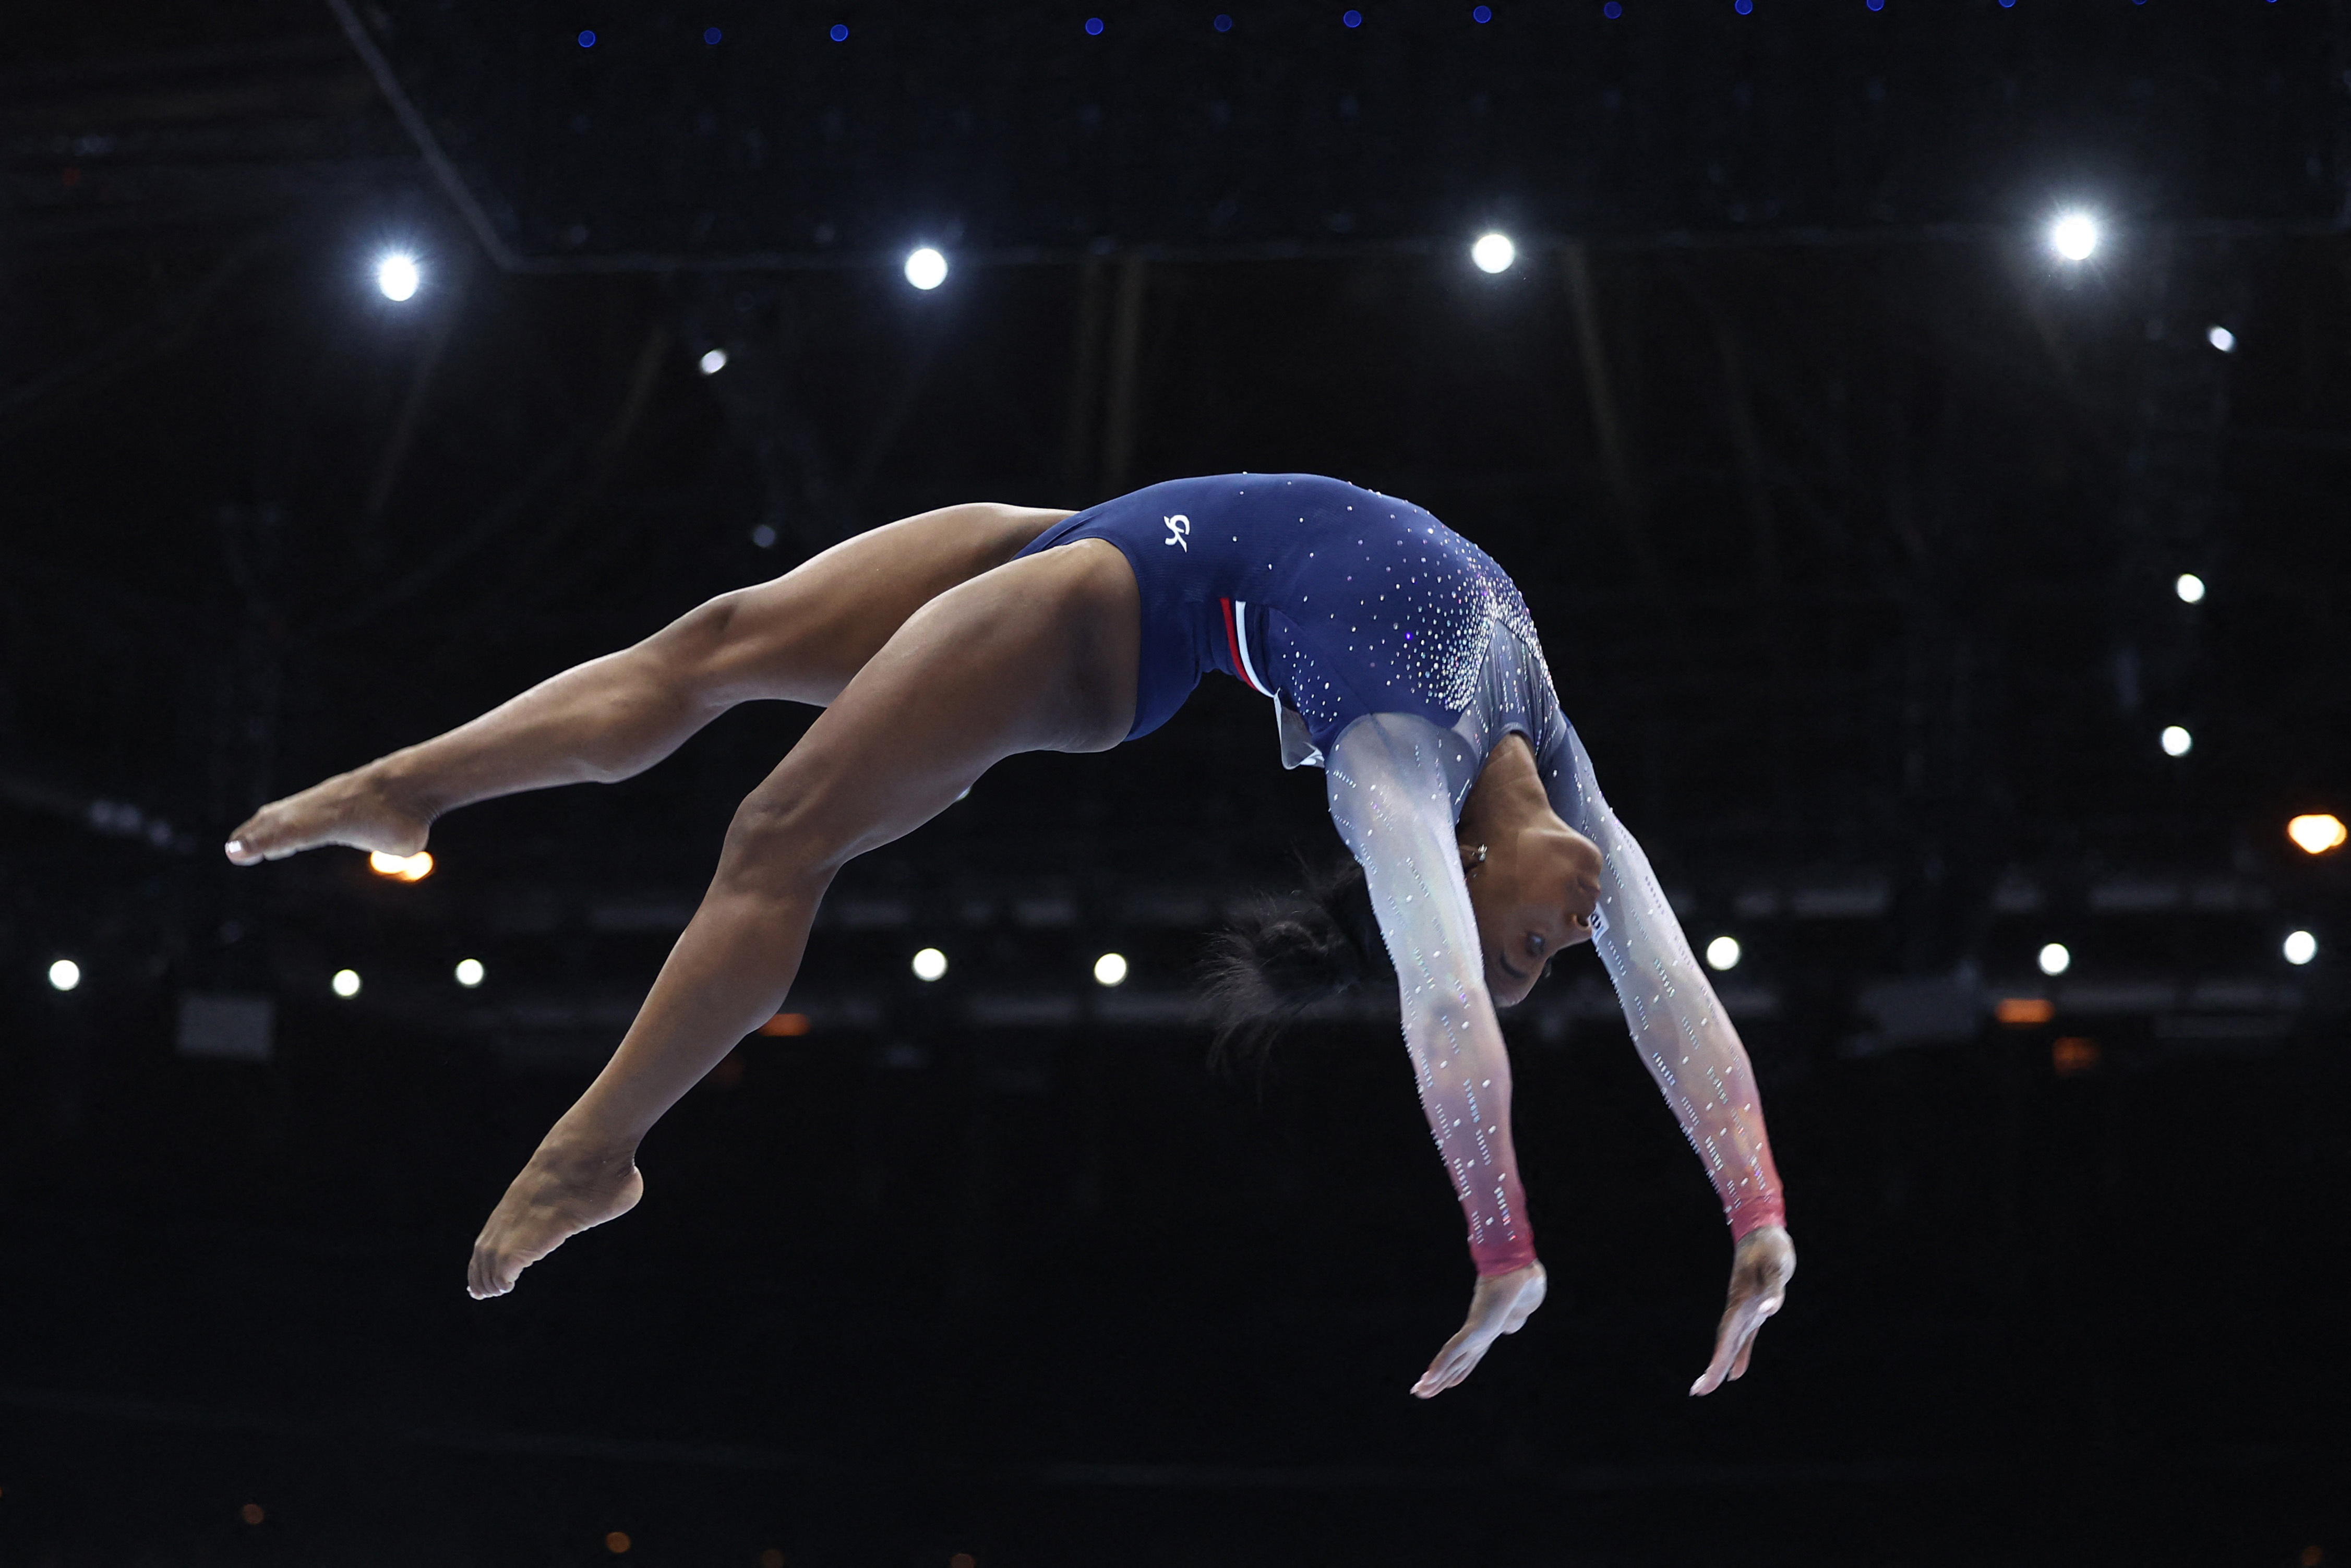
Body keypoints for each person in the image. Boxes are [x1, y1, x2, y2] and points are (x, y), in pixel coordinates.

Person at [226, 474, 1793, 1399]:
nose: (1560, 952)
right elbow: (1660, 1000)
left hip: (1108, 620)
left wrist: (1501, 1250)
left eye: (1536, 959)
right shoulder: (1557, 762)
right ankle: (402, 793)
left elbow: (1445, 1001)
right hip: (1113, 522)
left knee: (780, 830)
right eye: (1541, 955)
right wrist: (1755, 1224)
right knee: (709, 642)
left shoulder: (1397, 765)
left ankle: (595, 1152)